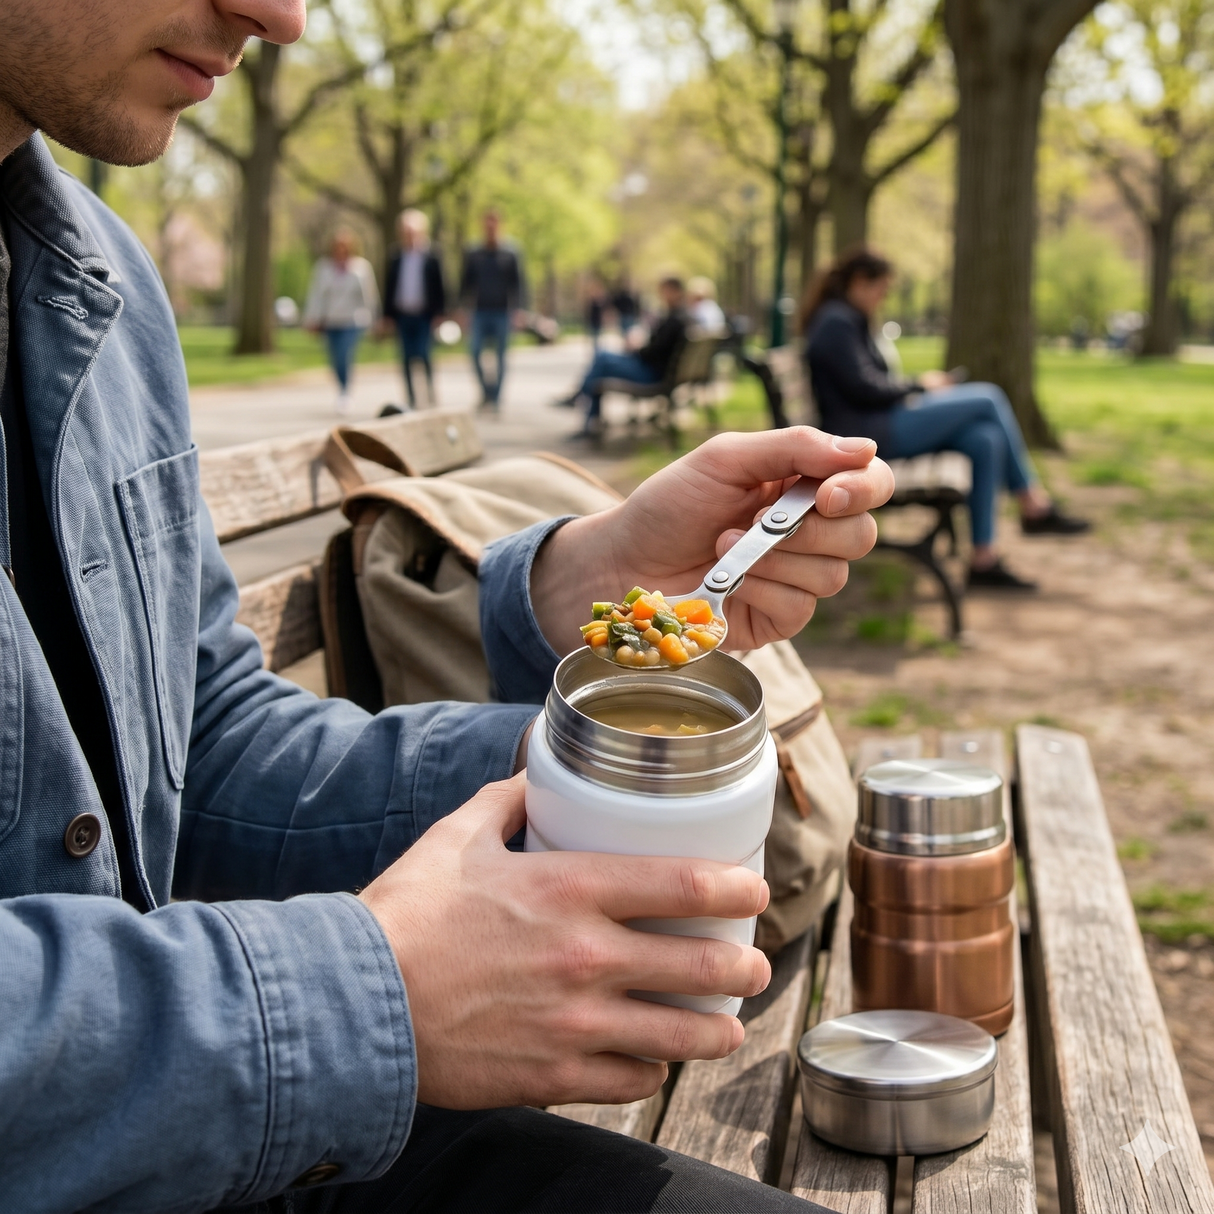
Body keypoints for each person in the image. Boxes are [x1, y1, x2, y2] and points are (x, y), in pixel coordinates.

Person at [0, 8, 896, 1209]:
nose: (282, 15)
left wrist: (591, 685)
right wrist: (365, 994)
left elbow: (204, 754)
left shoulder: (99, 280)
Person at [802, 248, 1089, 591]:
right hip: (867, 437)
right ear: (861, 283)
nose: (883, 299)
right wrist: (923, 385)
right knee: (988, 397)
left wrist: (922, 386)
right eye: (882, 290)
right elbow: (865, 388)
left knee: (984, 439)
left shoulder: (843, 318)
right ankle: (1033, 504)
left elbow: (866, 384)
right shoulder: (837, 320)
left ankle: (984, 559)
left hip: (877, 423)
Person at [563, 277, 690, 436]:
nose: (662, 295)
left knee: (602, 359)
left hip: (651, 375)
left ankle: (582, 403)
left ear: (675, 292)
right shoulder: (682, 316)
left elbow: (653, 353)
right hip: (659, 371)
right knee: (601, 365)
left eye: (664, 291)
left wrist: (636, 348)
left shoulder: (675, 319)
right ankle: (585, 409)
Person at [303, 228, 380, 414]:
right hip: (330, 321)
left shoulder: (361, 268)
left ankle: (345, 392)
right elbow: (316, 295)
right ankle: (341, 388)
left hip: (352, 321)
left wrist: (374, 320)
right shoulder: (324, 268)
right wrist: (311, 318)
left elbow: (369, 297)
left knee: (345, 355)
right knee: (335, 359)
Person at [460, 208, 526, 409]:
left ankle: (496, 398)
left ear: (499, 225)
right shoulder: (474, 252)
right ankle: (486, 392)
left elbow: (519, 284)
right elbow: (465, 283)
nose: (490, 227)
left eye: (494, 223)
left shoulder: (511, 251)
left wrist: (520, 310)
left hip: (503, 312)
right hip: (479, 311)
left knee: (501, 356)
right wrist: (461, 309)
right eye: (486, 223)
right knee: (474, 351)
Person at [382, 208, 446, 409]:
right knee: (405, 357)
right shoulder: (395, 256)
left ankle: (429, 393)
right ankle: (411, 398)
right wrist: (387, 315)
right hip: (403, 314)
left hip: (424, 315)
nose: (409, 235)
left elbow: (441, 286)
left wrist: (440, 313)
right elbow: (389, 287)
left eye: (413, 231)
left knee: (424, 354)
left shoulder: (431, 256)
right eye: (405, 231)